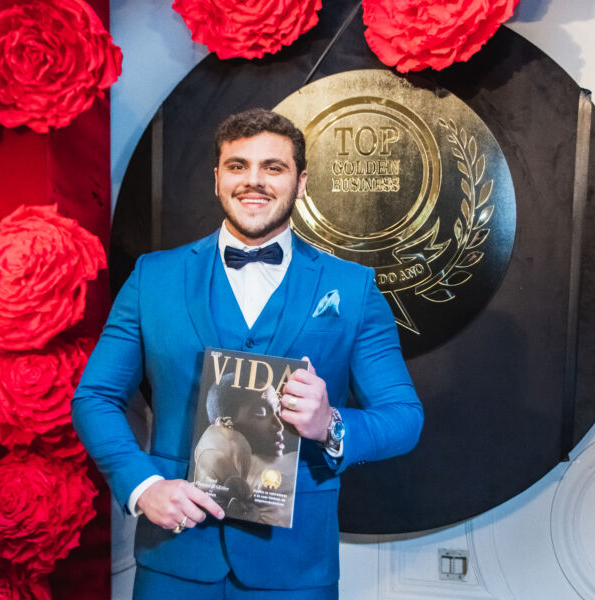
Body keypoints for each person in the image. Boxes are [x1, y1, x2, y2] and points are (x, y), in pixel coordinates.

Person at [72, 108, 423, 599]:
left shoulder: (353, 288)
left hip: (295, 567)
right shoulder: (153, 277)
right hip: (174, 554)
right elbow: (95, 397)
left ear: (301, 182)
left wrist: (331, 424)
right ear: (217, 178)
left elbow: (405, 416)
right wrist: (142, 486)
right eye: (238, 166)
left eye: (273, 167)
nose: (253, 180)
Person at [192, 374, 297, 525]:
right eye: (261, 412)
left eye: (278, 411)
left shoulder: (293, 466)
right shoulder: (212, 464)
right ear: (224, 425)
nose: (279, 426)